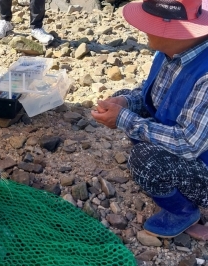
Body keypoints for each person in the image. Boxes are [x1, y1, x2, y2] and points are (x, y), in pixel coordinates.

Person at [91, 0, 208, 238]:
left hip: (201, 159)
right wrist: (126, 103)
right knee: (124, 97)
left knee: (146, 161)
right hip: (186, 144)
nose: (143, 29)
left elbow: (188, 144)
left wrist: (124, 119)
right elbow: (152, 93)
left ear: (176, 32)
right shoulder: (171, 52)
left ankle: (183, 211)